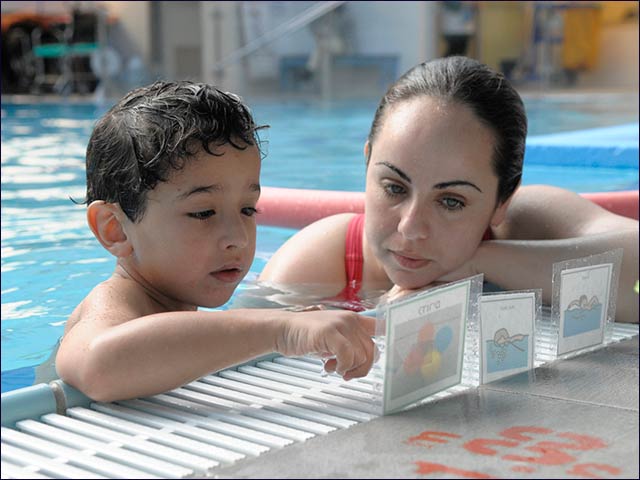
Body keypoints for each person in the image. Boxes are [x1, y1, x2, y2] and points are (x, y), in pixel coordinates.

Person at [55, 81, 377, 402]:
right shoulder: (111, 304)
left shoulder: (179, 300)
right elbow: (99, 366)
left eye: (248, 209)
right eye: (204, 213)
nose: (238, 238)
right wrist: (280, 330)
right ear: (116, 230)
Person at [259, 56, 639, 324]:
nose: (410, 228)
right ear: (367, 163)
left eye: (451, 201)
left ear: (501, 202)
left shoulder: (525, 224)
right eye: (394, 187)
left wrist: (480, 263)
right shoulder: (322, 262)